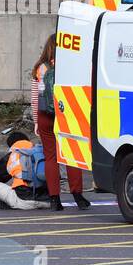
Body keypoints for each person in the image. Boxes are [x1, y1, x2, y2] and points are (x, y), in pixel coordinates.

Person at [34, 36, 91, 212]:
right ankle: (78, 196)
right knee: (71, 155)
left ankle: (54, 199)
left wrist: (36, 121)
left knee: (51, 157)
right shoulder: (69, 65)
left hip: (45, 115)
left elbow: (35, 97)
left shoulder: (40, 68)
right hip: (66, 113)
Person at [0, 131, 48, 210]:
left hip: (25, 201)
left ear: (11, 145)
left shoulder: (13, 155)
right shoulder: (43, 152)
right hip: (49, 201)